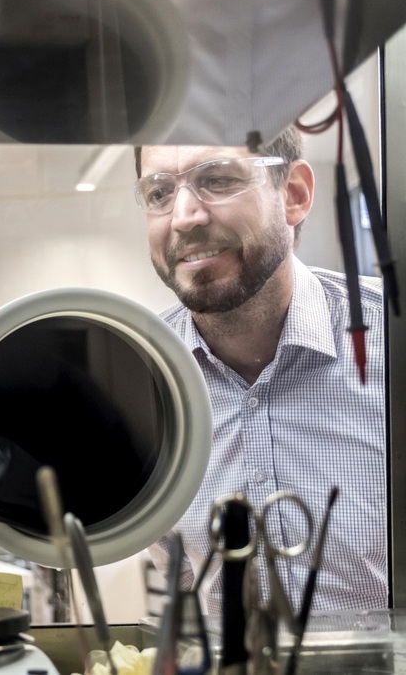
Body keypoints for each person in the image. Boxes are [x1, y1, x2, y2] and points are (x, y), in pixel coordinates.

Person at [134, 126, 387, 615]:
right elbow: (180, 574)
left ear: (293, 195)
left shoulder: (390, 343)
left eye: (218, 179)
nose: (183, 217)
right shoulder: (143, 374)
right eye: (160, 193)